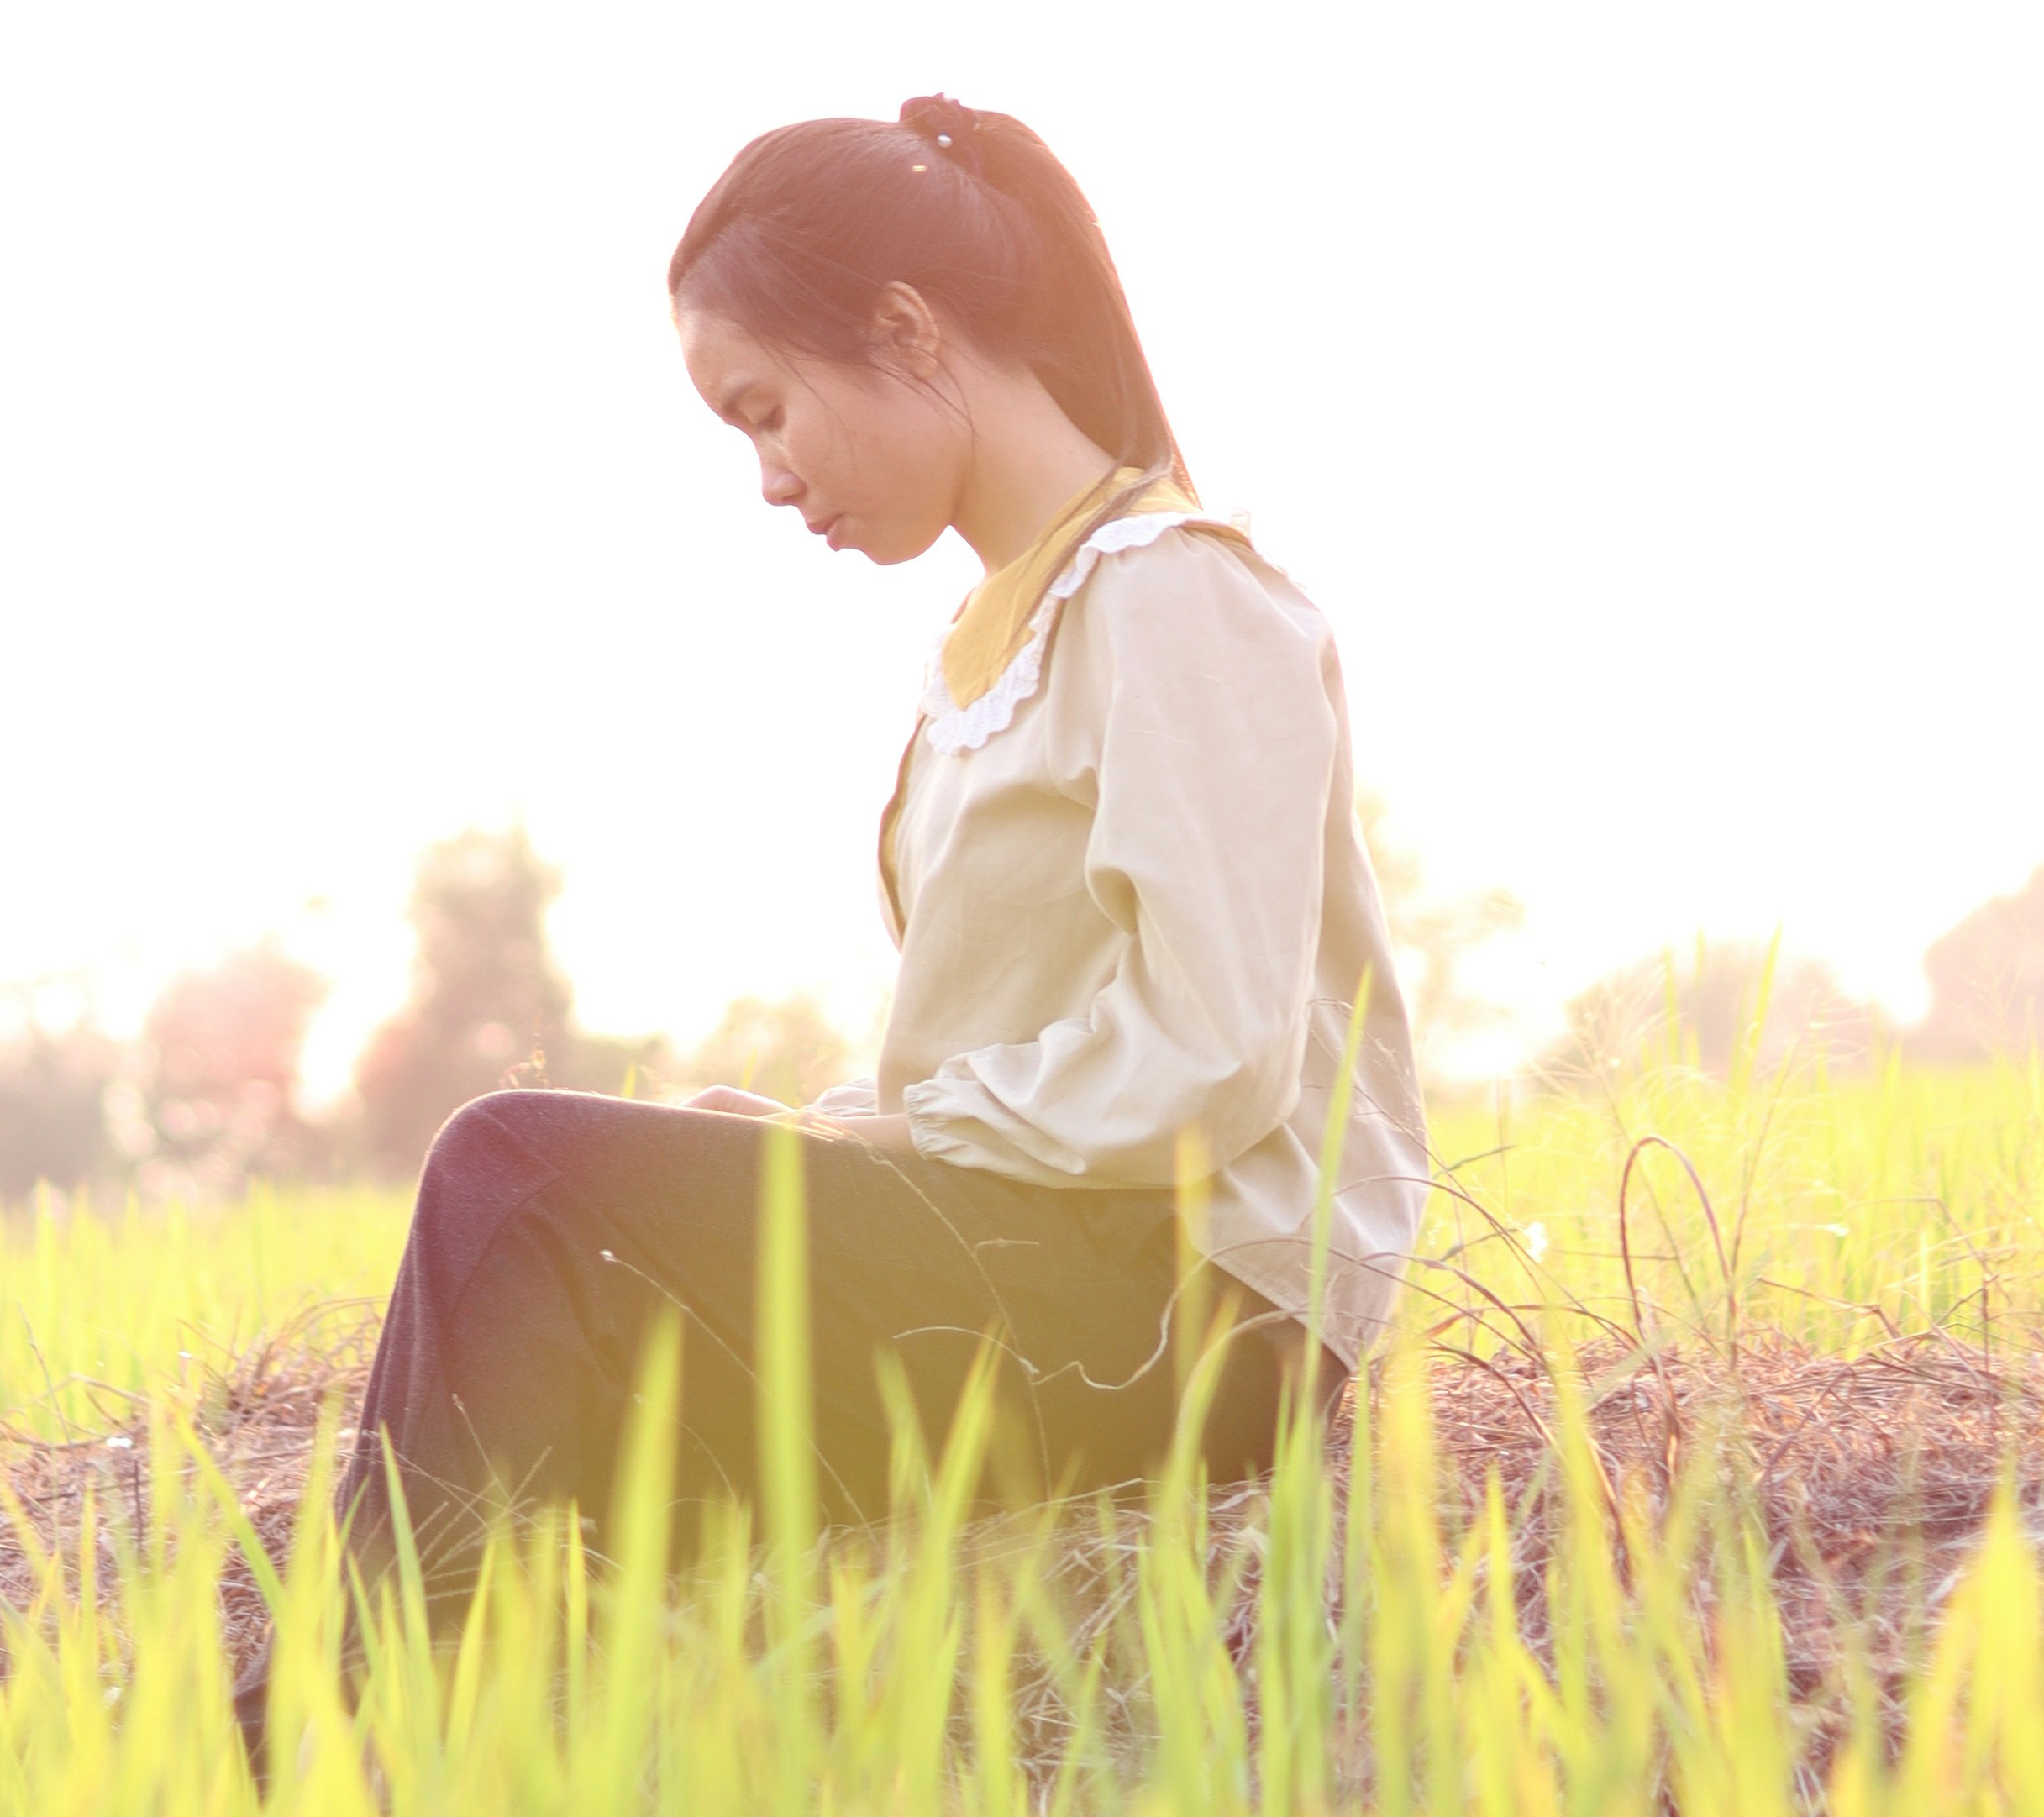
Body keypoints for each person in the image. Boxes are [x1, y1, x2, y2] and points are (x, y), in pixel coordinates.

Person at [331, 95, 1427, 1632]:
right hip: (1046, 1269)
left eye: (765, 409)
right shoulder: (991, 654)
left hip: (1193, 1323)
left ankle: (326, 1732)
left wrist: (868, 1148)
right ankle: (427, 1753)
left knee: (509, 1172)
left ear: (908, 332)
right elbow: (996, 1071)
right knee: (573, 1387)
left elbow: (1214, 1056)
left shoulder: (1176, 599)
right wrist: (815, 1133)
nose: (770, 477)